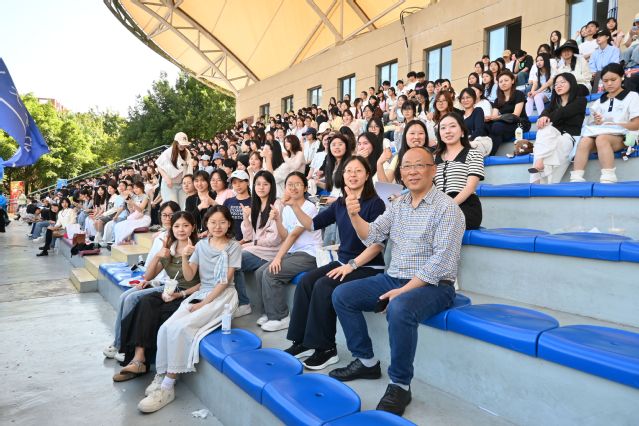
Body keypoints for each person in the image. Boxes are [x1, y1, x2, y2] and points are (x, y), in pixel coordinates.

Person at [330, 146, 465, 416]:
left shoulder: (448, 208)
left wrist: (403, 291)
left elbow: (441, 263)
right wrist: (355, 215)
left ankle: (400, 385)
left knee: (400, 308)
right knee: (342, 295)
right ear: (400, 172)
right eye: (406, 166)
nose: (412, 171)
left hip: (434, 285)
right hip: (394, 278)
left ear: (433, 170)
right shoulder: (398, 204)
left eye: (419, 165)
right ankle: (366, 361)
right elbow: (371, 235)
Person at [284, 156, 386, 370]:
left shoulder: (376, 203)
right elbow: (312, 224)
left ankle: (326, 348)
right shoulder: (340, 202)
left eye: (358, 171)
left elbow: (377, 245)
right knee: (307, 281)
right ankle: (302, 342)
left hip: (367, 266)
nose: (352, 175)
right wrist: (294, 206)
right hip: (343, 262)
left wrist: (352, 265)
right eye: (348, 171)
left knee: (324, 286)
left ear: (367, 175)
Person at [137, 205, 241, 413]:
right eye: (213, 222)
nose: (217, 226)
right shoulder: (201, 245)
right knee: (166, 327)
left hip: (222, 296)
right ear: (206, 224)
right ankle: (161, 375)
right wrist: (185, 257)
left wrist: (203, 303)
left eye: (222, 222)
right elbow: (190, 274)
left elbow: (224, 281)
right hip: (202, 292)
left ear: (229, 223)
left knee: (181, 329)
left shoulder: (233, 246)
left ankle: (168, 387)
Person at [114, 210, 201, 383]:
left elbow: (203, 283)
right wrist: (158, 255)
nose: (181, 229)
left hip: (190, 293)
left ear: (193, 227)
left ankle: (151, 364)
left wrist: (180, 294)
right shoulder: (170, 248)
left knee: (162, 313)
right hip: (171, 290)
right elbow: (149, 275)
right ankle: (138, 359)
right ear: (171, 228)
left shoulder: (198, 249)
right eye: (177, 226)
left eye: (185, 225)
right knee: (145, 302)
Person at [103, 201, 180, 362]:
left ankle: (124, 346)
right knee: (123, 297)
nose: (168, 218)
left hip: (167, 284)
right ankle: (118, 342)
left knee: (132, 298)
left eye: (171, 215)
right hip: (154, 280)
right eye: (164, 215)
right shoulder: (159, 237)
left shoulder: (177, 239)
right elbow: (151, 265)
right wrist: (147, 280)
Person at [254, 172, 322, 332]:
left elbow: (293, 235)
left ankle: (281, 317)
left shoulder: (309, 207)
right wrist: (277, 219)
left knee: (271, 273)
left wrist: (278, 257)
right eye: (290, 184)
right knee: (259, 272)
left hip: (310, 254)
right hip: (293, 253)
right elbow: (285, 235)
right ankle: (267, 312)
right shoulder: (286, 208)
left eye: (297, 184)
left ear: (305, 188)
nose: (293, 187)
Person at [571, 63, 639, 183]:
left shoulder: (632, 96)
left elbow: (636, 124)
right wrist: (597, 123)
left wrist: (614, 125)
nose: (609, 83)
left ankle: (608, 177)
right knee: (585, 141)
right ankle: (576, 178)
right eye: (606, 81)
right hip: (602, 135)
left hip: (626, 136)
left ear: (622, 77)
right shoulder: (598, 102)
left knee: (602, 139)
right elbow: (590, 127)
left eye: (613, 79)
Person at [234, 170, 284, 318]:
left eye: (265, 184)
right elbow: (248, 236)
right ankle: (236, 302)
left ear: (272, 186)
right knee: (229, 256)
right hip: (256, 249)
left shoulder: (277, 205)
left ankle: (244, 304)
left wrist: (252, 243)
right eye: (258, 184)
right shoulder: (255, 204)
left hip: (271, 252)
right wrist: (246, 217)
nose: (261, 187)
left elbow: (274, 239)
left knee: (234, 261)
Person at [528, 73, 587, 184]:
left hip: (570, 137)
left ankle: (539, 170)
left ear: (571, 83)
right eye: (556, 84)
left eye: (562, 82)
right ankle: (539, 166)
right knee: (544, 130)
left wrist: (546, 117)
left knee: (556, 140)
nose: (558, 86)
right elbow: (544, 113)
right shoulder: (555, 102)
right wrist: (543, 117)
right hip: (552, 136)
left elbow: (563, 113)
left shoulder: (580, 101)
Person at [434, 113, 484, 229]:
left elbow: (470, 187)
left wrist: (447, 207)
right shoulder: (434, 158)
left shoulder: (474, 154)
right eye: (443, 128)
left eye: (452, 126)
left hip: (466, 206)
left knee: (440, 221)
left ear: (462, 131)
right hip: (440, 206)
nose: (447, 131)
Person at [486, 70, 531, 155]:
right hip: (504, 124)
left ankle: (489, 155)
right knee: (487, 126)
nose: (503, 83)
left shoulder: (519, 94)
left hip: (520, 123)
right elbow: (494, 116)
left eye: (506, 80)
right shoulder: (497, 100)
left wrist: (497, 117)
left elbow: (516, 115)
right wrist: (488, 118)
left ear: (512, 81)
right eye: (500, 82)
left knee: (497, 126)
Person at [155, 132, 193, 208]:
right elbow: (159, 165)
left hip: (182, 184)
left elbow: (188, 167)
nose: (183, 146)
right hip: (169, 185)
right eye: (181, 143)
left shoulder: (187, 152)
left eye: (184, 144)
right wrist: (166, 178)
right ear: (176, 142)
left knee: (184, 207)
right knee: (172, 207)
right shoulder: (168, 152)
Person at [223, 170, 252, 242]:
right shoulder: (228, 201)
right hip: (229, 241)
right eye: (234, 183)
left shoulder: (254, 202)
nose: (238, 185)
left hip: (248, 241)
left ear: (248, 182)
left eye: (241, 181)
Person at [184, 170, 215, 235]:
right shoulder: (190, 199)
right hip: (196, 235)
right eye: (196, 181)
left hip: (213, 233)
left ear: (208, 181)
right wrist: (199, 207)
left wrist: (213, 202)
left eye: (203, 180)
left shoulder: (214, 196)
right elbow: (188, 219)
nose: (199, 184)